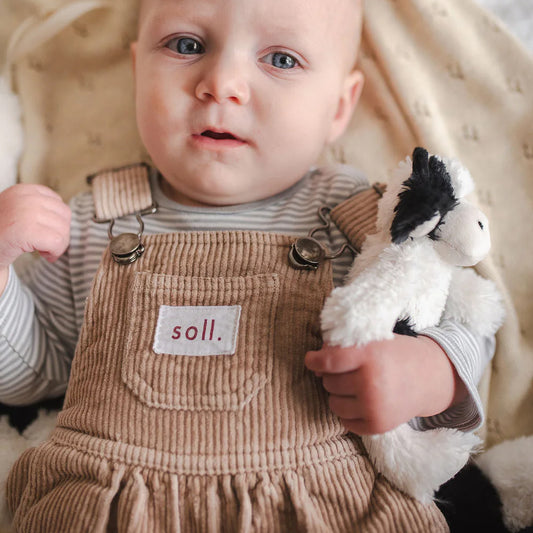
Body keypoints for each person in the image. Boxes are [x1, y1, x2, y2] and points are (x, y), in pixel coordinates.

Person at [0, 0, 494, 530]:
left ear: (338, 108)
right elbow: (30, 378)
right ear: (138, 71)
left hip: (322, 502)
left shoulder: (360, 219)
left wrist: (428, 372)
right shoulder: (91, 221)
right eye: (187, 45)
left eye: (281, 59)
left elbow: (464, 318)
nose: (222, 84)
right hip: (111, 503)